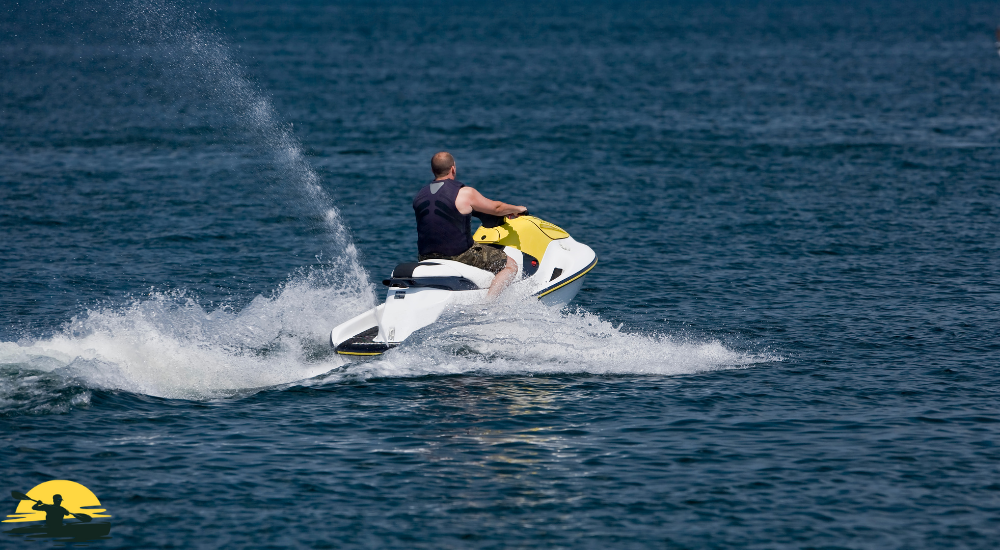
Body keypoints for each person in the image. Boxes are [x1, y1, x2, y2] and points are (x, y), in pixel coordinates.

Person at [413, 152, 528, 299]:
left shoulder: (419, 196)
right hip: (459, 254)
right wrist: (517, 209)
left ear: (432, 170)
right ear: (453, 169)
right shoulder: (464, 193)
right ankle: (488, 305)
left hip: (425, 256)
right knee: (510, 266)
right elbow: (497, 208)